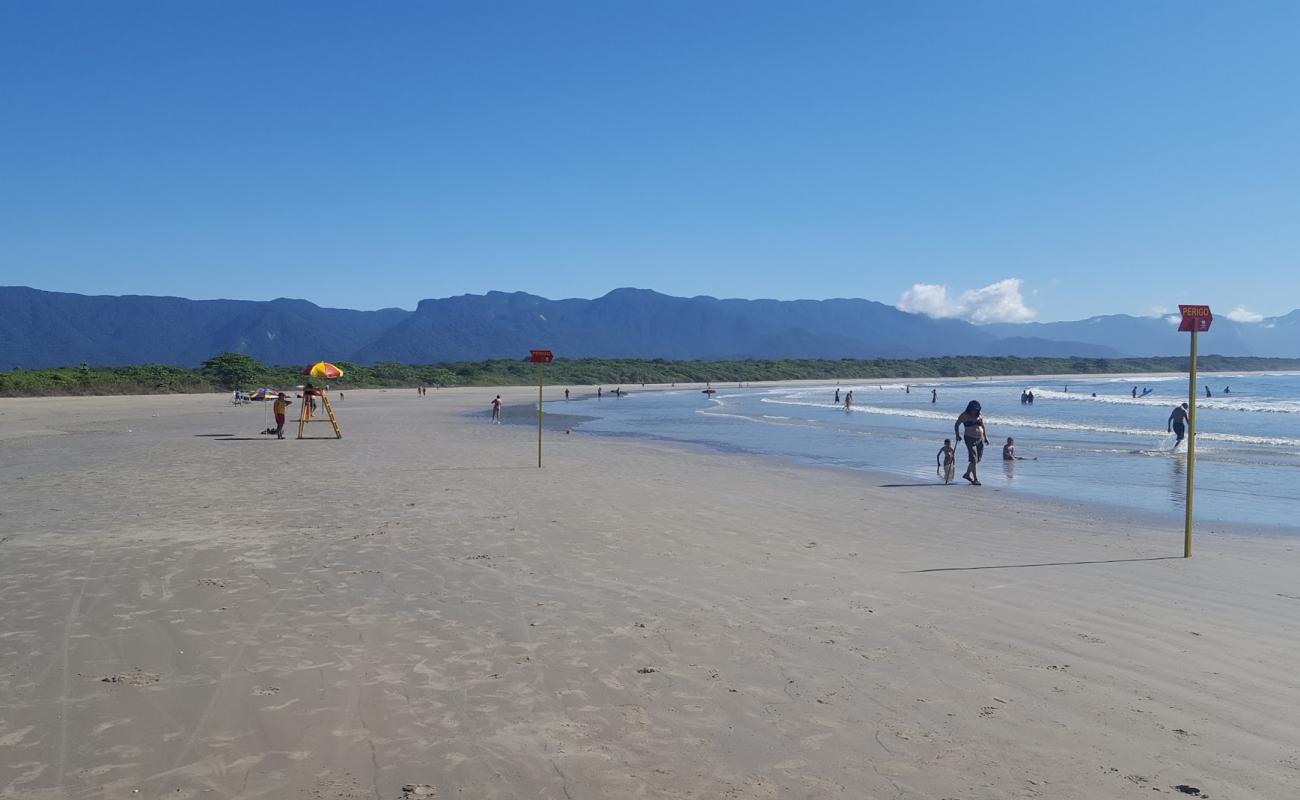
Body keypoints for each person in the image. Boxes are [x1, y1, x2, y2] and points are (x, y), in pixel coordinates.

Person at [954, 400, 989, 485]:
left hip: (980, 439)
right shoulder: (964, 415)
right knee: (973, 459)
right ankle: (975, 479)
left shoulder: (979, 415)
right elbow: (956, 425)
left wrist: (985, 437)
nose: (975, 411)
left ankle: (967, 474)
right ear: (970, 408)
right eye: (974, 409)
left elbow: (982, 426)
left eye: (977, 409)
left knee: (977, 460)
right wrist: (957, 435)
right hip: (969, 438)